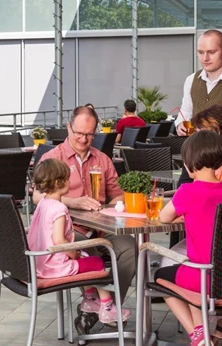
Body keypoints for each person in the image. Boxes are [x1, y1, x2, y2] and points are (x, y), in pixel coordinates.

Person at [33, 105, 135, 334]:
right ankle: (102, 306)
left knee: (129, 247)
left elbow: (117, 192)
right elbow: (37, 196)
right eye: (78, 132)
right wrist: (71, 201)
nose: (83, 138)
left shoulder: (102, 158)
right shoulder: (53, 157)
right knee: (88, 250)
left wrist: (116, 204)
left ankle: (103, 307)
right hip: (70, 227)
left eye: (89, 134)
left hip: (101, 227)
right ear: (69, 127)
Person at [29, 159, 130, 325]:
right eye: (67, 179)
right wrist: (73, 253)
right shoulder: (59, 208)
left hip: (40, 264)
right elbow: (59, 241)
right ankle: (108, 308)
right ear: (57, 183)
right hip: (55, 267)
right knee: (96, 262)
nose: (70, 182)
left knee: (85, 256)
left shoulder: (43, 204)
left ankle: (90, 299)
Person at [155, 130, 222, 346]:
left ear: (188, 163)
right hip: (218, 279)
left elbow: (164, 217)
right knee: (191, 270)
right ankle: (203, 331)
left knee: (160, 276)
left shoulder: (187, 192)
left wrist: (184, 216)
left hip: (202, 278)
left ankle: (197, 334)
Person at [176, 29, 222, 136]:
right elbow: (185, 113)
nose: (205, 58)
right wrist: (180, 125)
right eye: (201, 52)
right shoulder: (191, 80)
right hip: (198, 149)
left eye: (211, 52)